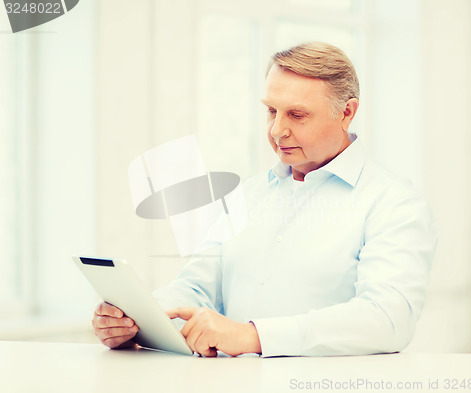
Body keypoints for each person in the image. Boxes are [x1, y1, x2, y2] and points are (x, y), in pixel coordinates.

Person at [92, 42, 437, 357]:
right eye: (272, 111)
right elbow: (197, 288)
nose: (277, 130)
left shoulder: (394, 203)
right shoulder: (248, 194)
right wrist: (137, 319)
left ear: (347, 112)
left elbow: (388, 319)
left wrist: (253, 336)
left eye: (297, 115)